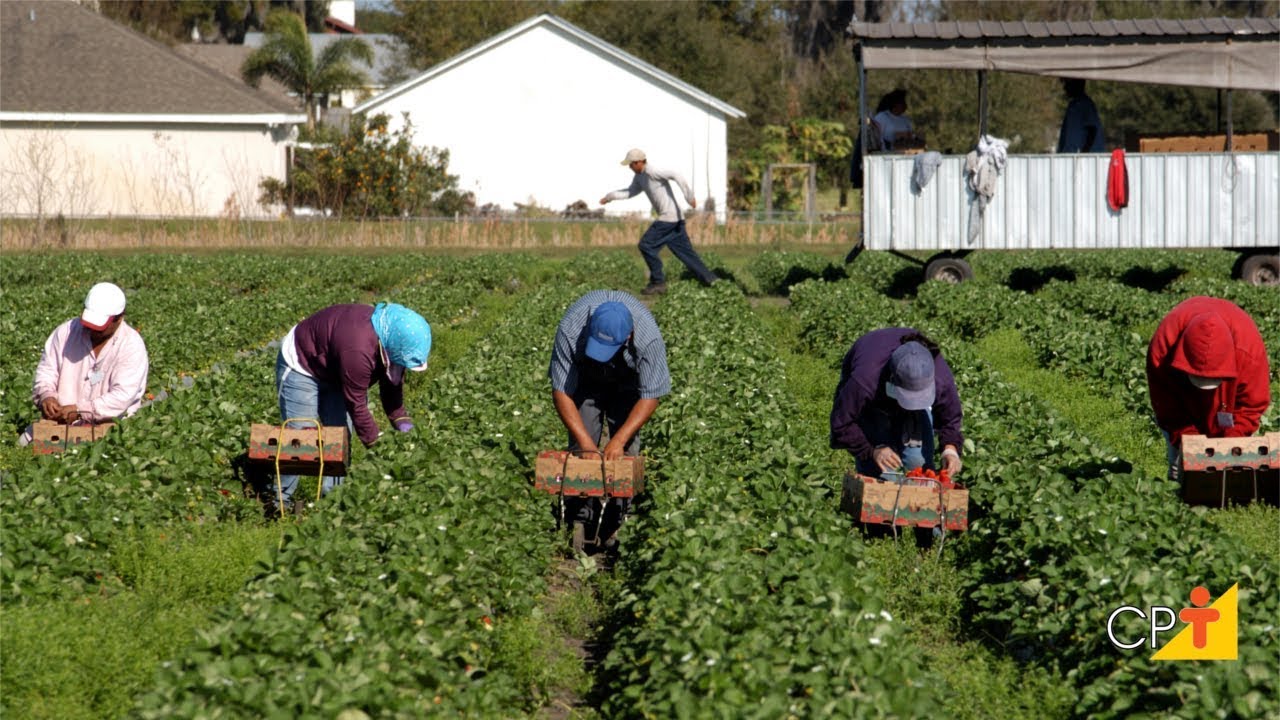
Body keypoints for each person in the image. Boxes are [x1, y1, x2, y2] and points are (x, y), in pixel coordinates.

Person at [272, 302, 430, 512]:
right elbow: (356, 405)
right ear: (393, 345)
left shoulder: (390, 342)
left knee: (339, 436)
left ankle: (330, 503)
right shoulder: (359, 348)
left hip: (337, 368)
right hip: (303, 363)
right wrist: (380, 448)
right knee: (301, 437)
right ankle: (278, 503)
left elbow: (392, 391)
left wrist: (403, 424)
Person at [549, 290, 670, 546]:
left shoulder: (648, 338)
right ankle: (580, 515)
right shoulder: (572, 328)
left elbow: (651, 395)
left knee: (624, 452)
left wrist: (618, 439)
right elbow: (561, 390)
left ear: (629, 336)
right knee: (583, 451)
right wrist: (586, 444)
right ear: (590, 326)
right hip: (586, 380)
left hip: (627, 383)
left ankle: (618, 518)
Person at [1146, 296, 1271, 482]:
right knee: (1179, 465)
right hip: (1183, 404)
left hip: (1227, 409)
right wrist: (1189, 443)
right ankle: (1178, 494)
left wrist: (1231, 443)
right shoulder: (1163, 349)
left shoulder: (1248, 350)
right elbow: (1167, 408)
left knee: (1233, 464)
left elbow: (1251, 405)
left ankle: (1225, 497)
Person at [23, 282, 149, 444]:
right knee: (25, 444)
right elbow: (47, 371)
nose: (92, 330)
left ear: (119, 319)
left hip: (112, 426)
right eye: (89, 325)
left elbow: (122, 396)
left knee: (84, 457)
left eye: (99, 327)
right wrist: (46, 396)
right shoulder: (66, 332)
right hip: (62, 421)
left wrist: (82, 410)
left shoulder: (131, 345)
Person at [830, 328, 964, 480]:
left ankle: (920, 502)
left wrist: (950, 450)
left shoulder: (940, 377)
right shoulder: (864, 380)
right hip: (874, 402)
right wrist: (872, 450)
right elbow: (841, 423)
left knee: (918, 464)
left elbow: (950, 418)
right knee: (882, 472)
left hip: (912, 407)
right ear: (892, 379)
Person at [599, 148, 718, 295]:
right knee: (686, 253)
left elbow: (676, 174)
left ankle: (658, 282)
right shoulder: (639, 177)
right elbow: (630, 192)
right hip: (676, 219)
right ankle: (712, 281)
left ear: (639, 162)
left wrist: (689, 197)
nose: (630, 167)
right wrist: (609, 197)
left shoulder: (653, 171)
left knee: (646, 245)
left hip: (668, 218)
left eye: (631, 164)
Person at [1056, 78, 1105, 153]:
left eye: (1068, 84)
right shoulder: (1072, 105)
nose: (1065, 88)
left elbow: (1092, 129)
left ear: (1077, 85)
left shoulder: (1086, 104)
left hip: (1086, 159)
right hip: (1069, 157)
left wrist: (1084, 154)